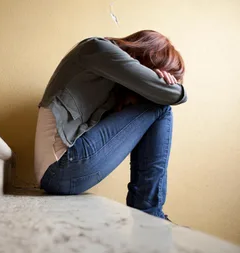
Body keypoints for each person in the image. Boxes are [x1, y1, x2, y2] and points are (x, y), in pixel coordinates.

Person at [34, 30, 187, 219]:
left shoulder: (110, 82)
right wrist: (161, 84)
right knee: (161, 108)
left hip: (61, 172)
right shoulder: (95, 48)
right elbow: (174, 95)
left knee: (155, 105)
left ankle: (148, 212)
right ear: (149, 55)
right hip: (60, 168)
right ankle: (149, 213)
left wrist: (150, 83)